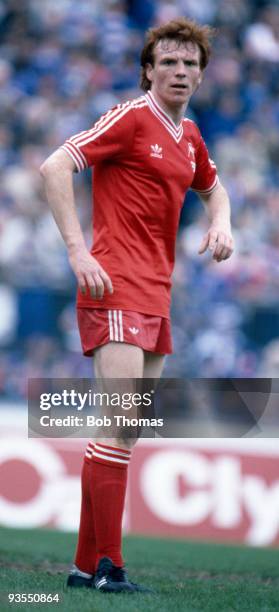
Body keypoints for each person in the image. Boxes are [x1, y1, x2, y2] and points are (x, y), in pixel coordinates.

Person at [40, 17, 234, 594]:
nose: (180, 71)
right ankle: (110, 569)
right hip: (114, 284)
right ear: (148, 70)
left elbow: (214, 187)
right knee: (119, 422)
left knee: (125, 432)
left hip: (157, 292)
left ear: (201, 74)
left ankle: (81, 567)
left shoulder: (190, 134)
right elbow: (55, 166)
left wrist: (221, 223)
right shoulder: (131, 117)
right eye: (169, 62)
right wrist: (79, 252)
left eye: (190, 63)